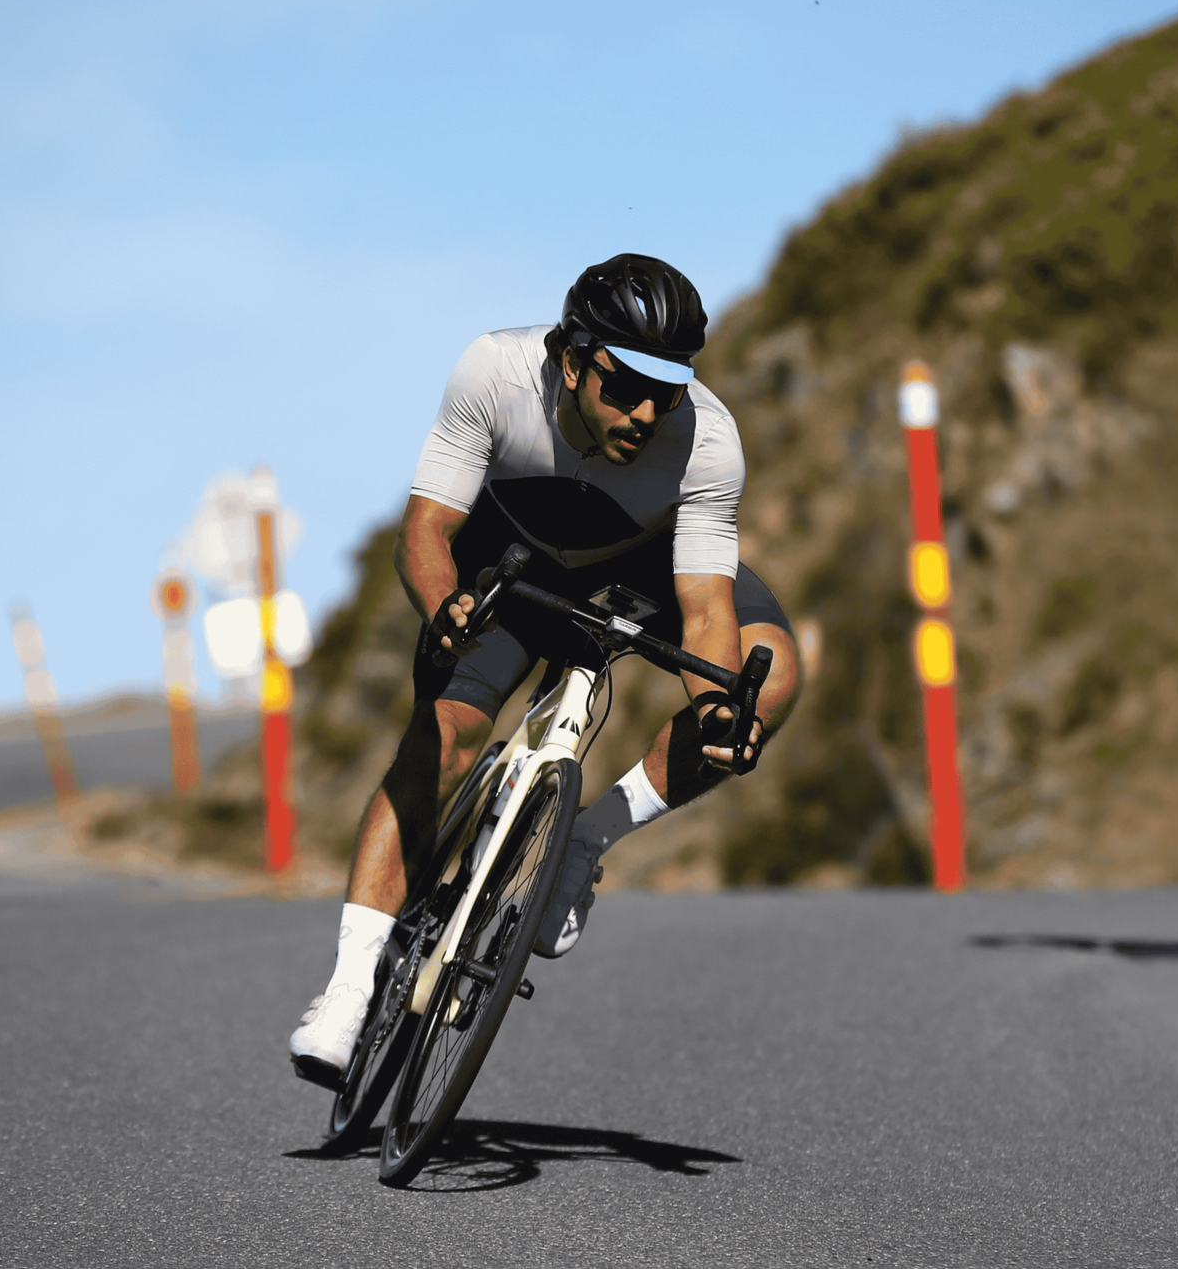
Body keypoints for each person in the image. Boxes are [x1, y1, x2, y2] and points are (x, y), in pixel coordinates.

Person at [289, 253, 801, 1085]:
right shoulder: (494, 370)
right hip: (511, 559)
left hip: (642, 563)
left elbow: (706, 607)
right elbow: (425, 530)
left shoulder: (706, 440)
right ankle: (348, 991)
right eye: (624, 384)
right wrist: (445, 607)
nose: (645, 410)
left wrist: (717, 713)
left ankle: (581, 842)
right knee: (445, 739)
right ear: (571, 360)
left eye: (665, 391)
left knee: (768, 678)